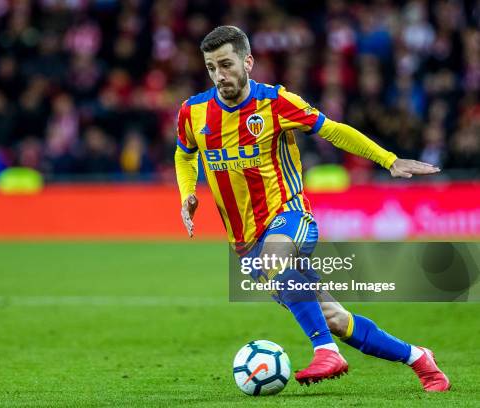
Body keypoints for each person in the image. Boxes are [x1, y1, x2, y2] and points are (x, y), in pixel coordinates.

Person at [174, 25, 450, 391]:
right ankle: (419, 359)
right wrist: (187, 193)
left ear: (248, 61)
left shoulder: (276, 103)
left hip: (290, 215)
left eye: (226, 65)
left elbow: (333, 130)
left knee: (279, 263)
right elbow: (184, 154)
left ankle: (326, 351)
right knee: (333, 316)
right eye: (211, 68)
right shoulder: (193, 112)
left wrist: (388, 160)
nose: (219, 75)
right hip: (244, 242)